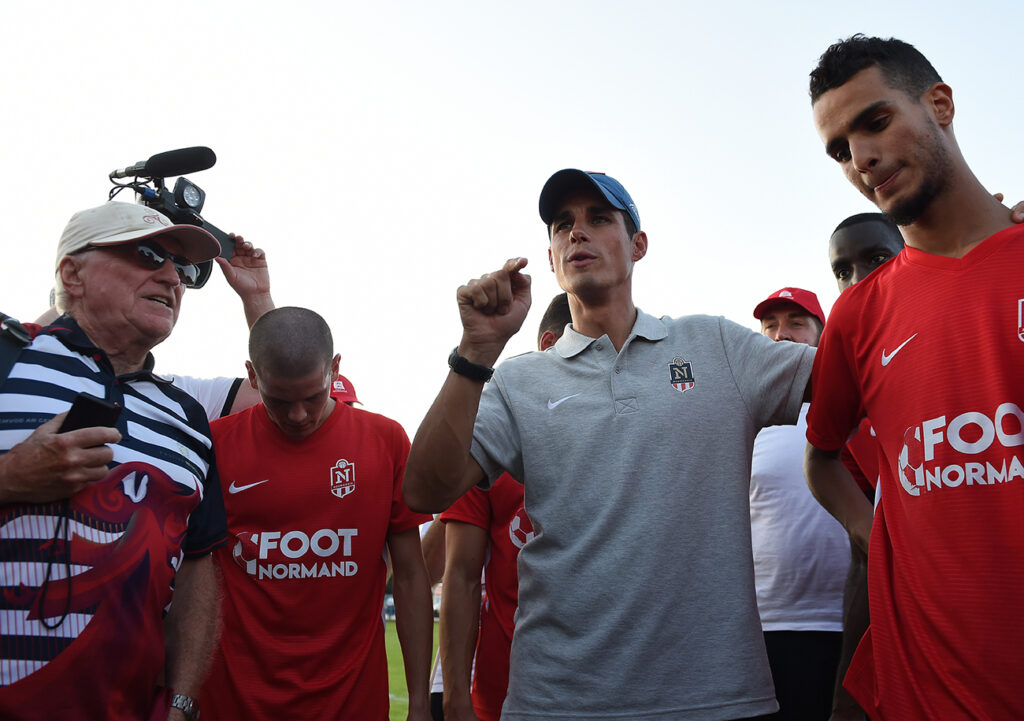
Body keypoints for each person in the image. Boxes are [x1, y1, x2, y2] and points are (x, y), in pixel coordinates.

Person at [404, 169, 815, 721]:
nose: (578, 233)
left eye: (599, 219)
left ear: (638, 245)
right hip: (557, 701)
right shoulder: (517, 381)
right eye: (562, 225)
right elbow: (423, 488)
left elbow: (856, 377)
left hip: (717, 699)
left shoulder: (716, 345)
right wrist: (475, 351)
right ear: (550, 258)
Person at [805, 34, 1024, 719]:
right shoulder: (857, 315)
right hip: (929, 688)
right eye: (840, 149)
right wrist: (881, 537)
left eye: (874, 122)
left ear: (940, 103)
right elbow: (823, 458)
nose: (861, 158)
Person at [0, 201, 227, 721]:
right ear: (72, 274)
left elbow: (197, 568)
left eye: (184, 268)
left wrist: (182, 702)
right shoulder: (8, 357)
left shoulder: (187, 419)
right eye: (148, 254)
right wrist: (10, 478)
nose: (172, 277)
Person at [198, 306, 434, 721]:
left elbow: (412, 576)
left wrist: (418, 704)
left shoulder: (385, 441)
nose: (297, 415)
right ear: (252, 376)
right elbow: (190, 574)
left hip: (351, 702)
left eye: (312, 397)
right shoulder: (214, 445)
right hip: (235, 702)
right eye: (279, 399)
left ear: (335, 369)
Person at [439, 292, 570, 721]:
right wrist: (455, 691)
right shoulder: (491, 437)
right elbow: (459, 574)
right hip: (506, 691)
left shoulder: (631, 433)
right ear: (552, 344)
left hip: (611, 685)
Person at [748, 288, 847, 721]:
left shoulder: (855, 407)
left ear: (823, 337)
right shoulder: (741, 419)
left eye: (796, 323)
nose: (780, 336)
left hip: (849, 621)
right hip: (761, 625)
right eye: (770, 325)